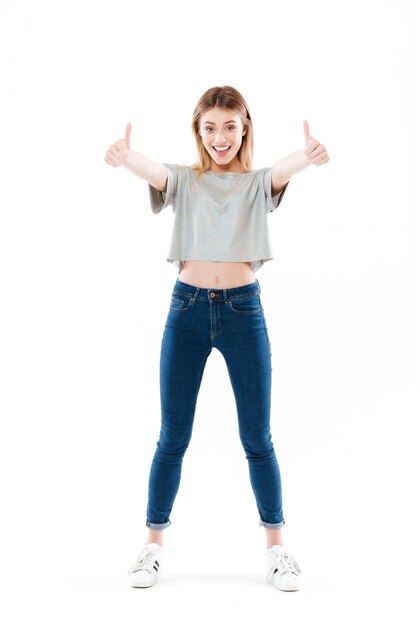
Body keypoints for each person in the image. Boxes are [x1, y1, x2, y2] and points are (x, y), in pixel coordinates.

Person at [104, 85, 329, 592]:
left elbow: (283, 170)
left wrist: (308, 157)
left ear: (244, 127)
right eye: (210, 127)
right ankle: (151, 547)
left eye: (230, 126)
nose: (220, 137)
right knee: (173, 437)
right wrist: (126, 157)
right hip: (185, 310)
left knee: (257, 438)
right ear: (198, 130)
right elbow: (154, 172)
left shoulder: (254, 184)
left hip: (243, 312)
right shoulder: (184, 181)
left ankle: (277, 550)